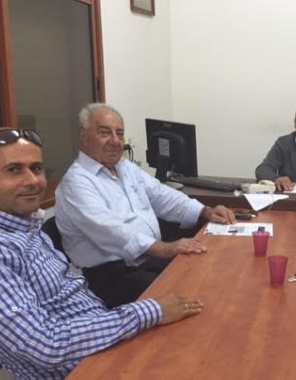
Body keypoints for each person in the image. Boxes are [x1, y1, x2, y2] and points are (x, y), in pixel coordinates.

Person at [0, 127, 203, 380]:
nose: (32, 180)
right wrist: (148, 312)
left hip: (103, 342)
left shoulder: (21, 225)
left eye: (36, 168)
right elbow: (45, 345)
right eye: (13, 170)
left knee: (205, 335)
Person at [55, 103, 236, 308]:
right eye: (105, 132)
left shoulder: (124, 167)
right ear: (84, 136)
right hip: (111, 276)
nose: (115, 141)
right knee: (190, 294)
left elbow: (161, 195)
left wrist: (206, 211)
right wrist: (166, 248)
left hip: (146, 260)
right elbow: (112, 232)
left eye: (119, 133)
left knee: (207, 270)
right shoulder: (77, 182)